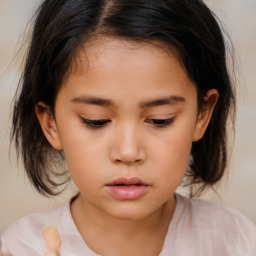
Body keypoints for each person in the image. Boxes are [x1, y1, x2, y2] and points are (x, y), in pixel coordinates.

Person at [1, 0, 255, 255]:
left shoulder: (235, 240)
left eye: (160, 120)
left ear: (202, 114)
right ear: (50, 122)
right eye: (95, 120)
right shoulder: (24, 247)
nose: (129, 152)